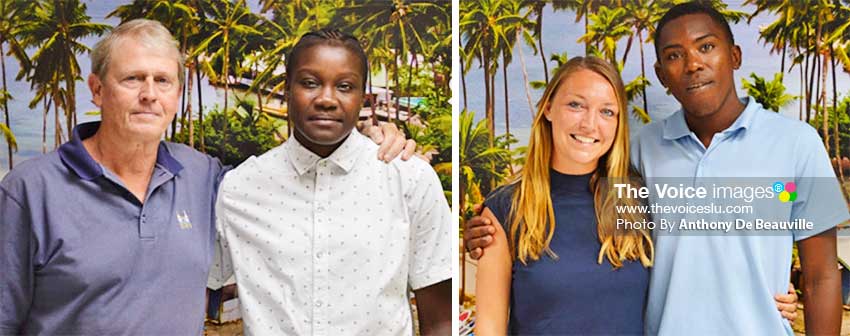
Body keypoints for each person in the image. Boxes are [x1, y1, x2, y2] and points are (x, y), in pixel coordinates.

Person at [0, 19, 414, 335]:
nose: (149, 94)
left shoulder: (206, 179)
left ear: (177, 94)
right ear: (96, 89)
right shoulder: (29, 191)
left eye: (162, 80)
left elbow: (296, 188)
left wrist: (373, 140)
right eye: (132, 79)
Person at [465, 2, 837, 335]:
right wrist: (485, 229)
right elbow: (570, 209)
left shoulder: (798, 144)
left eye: (706, 47)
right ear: (660, 74)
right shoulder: (642, 152)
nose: (693, 63)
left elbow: (821, 276)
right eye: (675, 55)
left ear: (735, 55)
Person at [209, 29, 452, 335]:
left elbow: (441, 321)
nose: (326, 99)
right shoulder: (239, 189)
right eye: (310, 83)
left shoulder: (410, 180)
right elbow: (195, 289)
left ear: (363, 97)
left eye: (345, 86)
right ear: (287, 89)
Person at [475, 56, 653, 335]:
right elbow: (489, 328)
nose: (590, 124)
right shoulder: (504, 210)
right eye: (576, 105)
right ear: (548, 108)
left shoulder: (639, 202)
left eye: (607, 112)